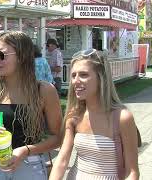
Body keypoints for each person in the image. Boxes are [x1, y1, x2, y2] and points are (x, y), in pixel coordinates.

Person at [0, 31, 62, 180]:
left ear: (22, 57)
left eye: (1, 55)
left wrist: (25, 151)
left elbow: (59, 137)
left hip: (30, 167)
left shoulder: (44, 91)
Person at [49, 49, 139, 180]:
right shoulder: (74, 115)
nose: (76, 81)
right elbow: (62, 160)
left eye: (83, 75)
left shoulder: (122, 118)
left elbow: (132, 172)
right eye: (73, 75)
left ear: (101, 78)